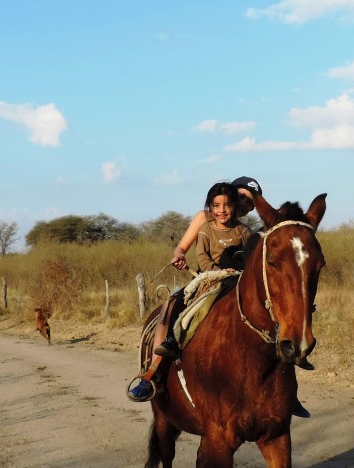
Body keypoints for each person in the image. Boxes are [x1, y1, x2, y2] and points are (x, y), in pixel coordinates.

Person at [128, 177, 311, 417]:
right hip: (209, 279)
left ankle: (288, 389)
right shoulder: (205, 220)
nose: (246, 204)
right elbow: (189, 248)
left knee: (273, 320)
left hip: (237, 281)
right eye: (242, 198)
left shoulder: (245, 229)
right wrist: (180, 255)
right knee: (172, 308)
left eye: (251, 202)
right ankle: (153, 374)